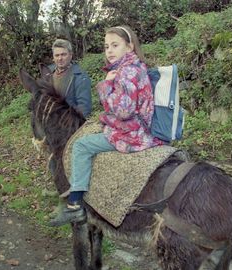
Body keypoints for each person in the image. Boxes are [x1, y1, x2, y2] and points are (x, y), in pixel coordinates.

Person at [49, 26, 165, 227]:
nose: (109, 50)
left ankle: (75, 206)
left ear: (129, 47)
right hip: (135, 127)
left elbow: (124, 111)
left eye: (115, 45)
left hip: (131, 134)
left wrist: (105, 86)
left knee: (81, 146)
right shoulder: (135, 67)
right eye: (106, 46)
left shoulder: (127, 72)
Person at [48, 39, 92, 118]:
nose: (60, 58)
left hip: (69, 122)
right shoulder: (48, 74)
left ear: (70, 55)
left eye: (63, 54)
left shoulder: (80, 76)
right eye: (57, 55)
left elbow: (84, 108)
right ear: (53, 57)